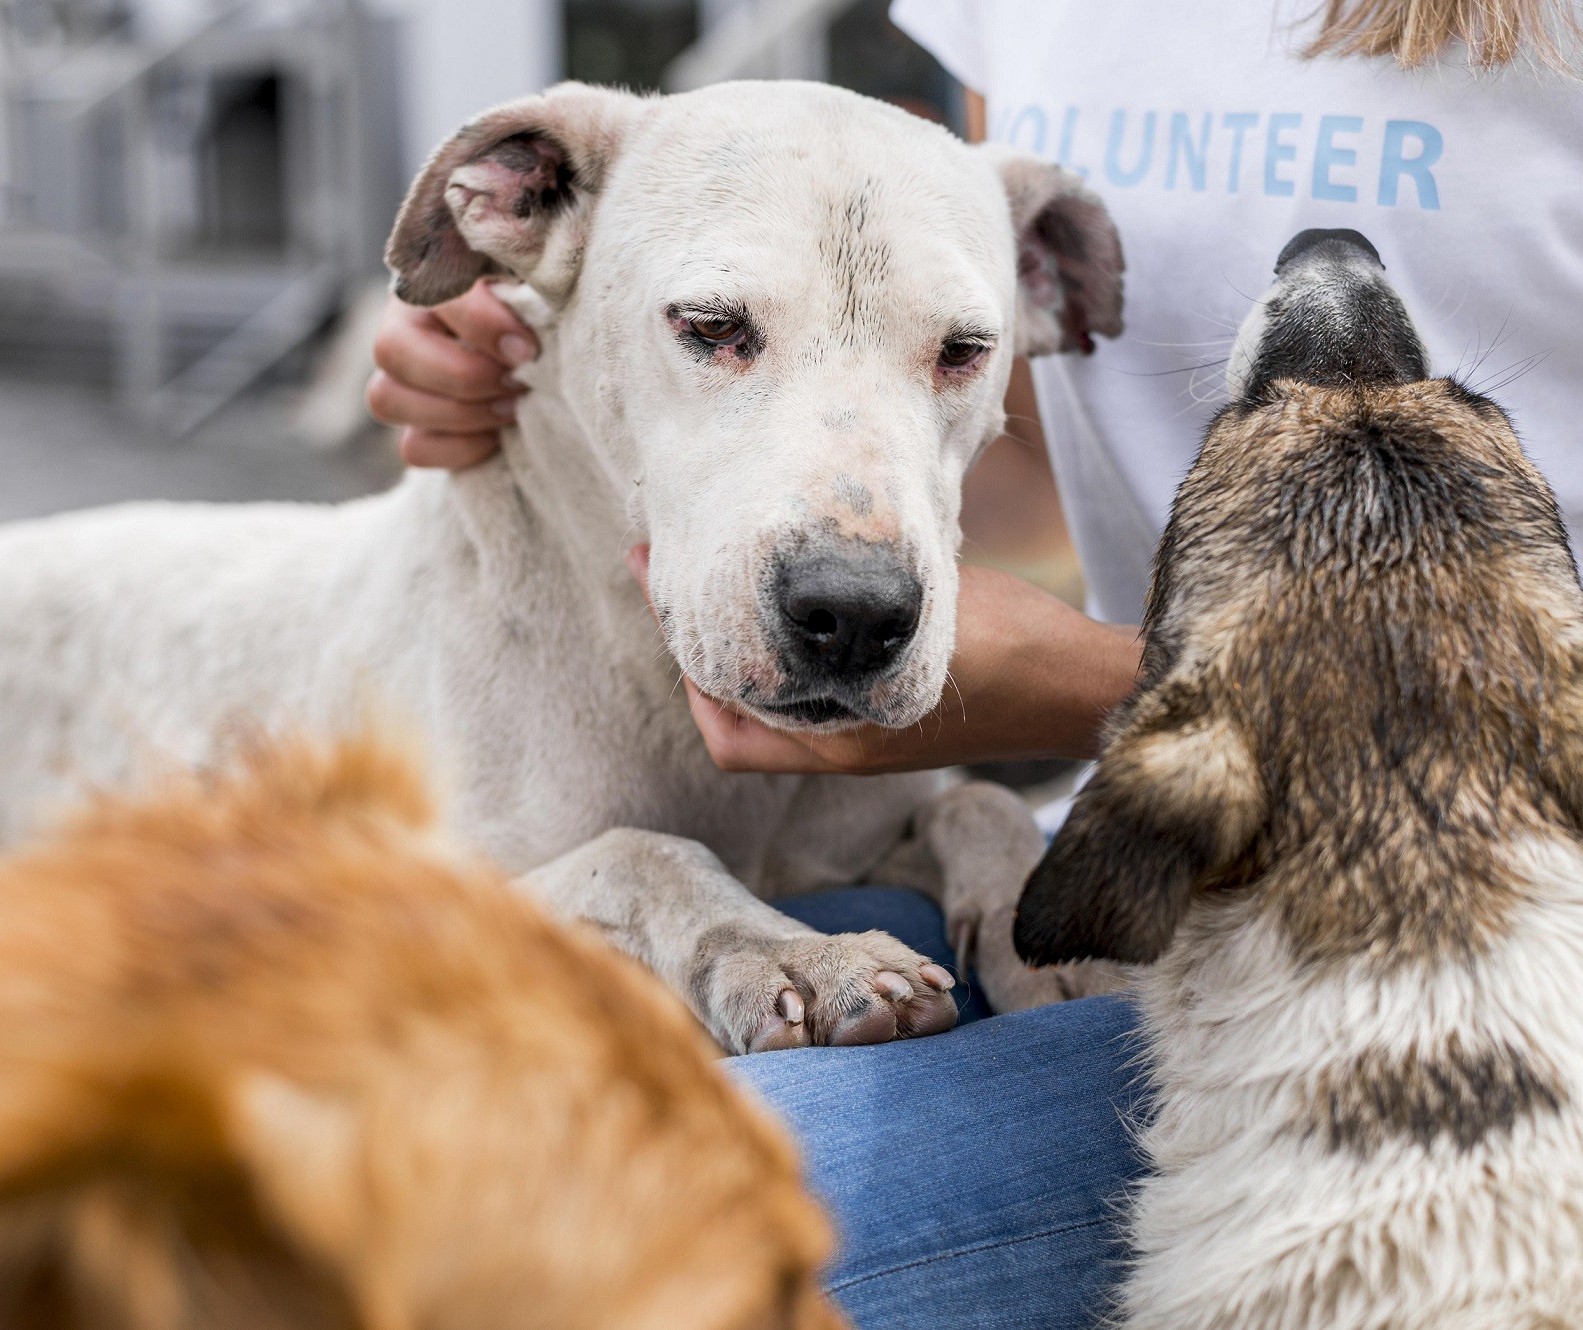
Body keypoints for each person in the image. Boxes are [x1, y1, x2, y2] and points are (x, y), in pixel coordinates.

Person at [365, 3, 1583, 1324]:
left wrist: (1086, 682)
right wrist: (561, 378)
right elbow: (970, 400)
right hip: (1147, 864)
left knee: (607, 1233)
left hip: (1492, 952)